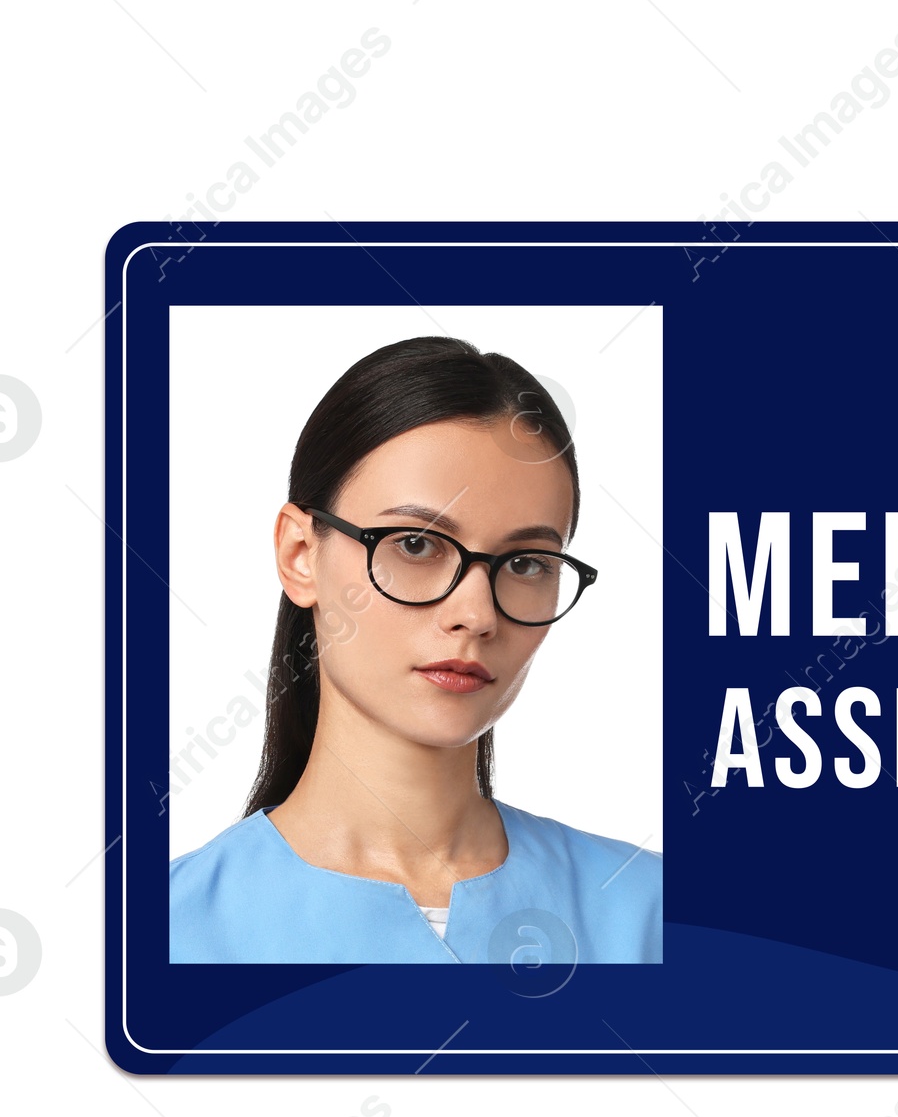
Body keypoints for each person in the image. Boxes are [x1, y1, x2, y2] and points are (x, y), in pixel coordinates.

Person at [169, 335, 661, 964]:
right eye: (418, 545)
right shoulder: (155, 937)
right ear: (300, 556)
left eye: (527, 562)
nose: (477, 615)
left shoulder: (658, 916)